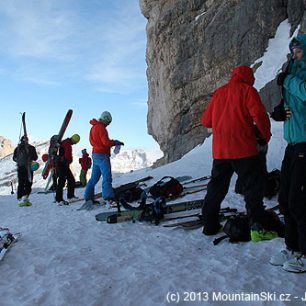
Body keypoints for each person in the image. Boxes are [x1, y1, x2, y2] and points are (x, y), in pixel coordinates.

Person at [200, 65, 276, 241]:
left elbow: (205, 121)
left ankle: (209, 226)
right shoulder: (247, 90)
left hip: (220, 152)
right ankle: (257, 228)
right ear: (249, 78)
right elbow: (259, 115)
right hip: (244, 149)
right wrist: (265, 136)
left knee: (216, 188)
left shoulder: (219, 93)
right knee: (252, 189)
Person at [269, 35, 306, 273]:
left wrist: (288, 79)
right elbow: (296, 106)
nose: (295, 51)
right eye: (292, 48)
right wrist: (279, 112)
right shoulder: (292, 71)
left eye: (299, 48)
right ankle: (292, 248)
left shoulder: (296, 75)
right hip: (292, 144)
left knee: (299, 201)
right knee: (284, 200)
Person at [84, 111, 124, 206]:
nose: (108, 124)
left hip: (95, 155)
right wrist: (115, 142)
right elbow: (106, 142)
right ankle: (109, 199)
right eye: (109, 122)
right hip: (102, 155)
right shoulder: (101, 128)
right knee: (107, 177)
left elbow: (91, 141)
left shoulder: (93, 127)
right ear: (106, 119)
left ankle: (88, 197)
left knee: (94, 178)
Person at [55, 134, 80, 205]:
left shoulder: (65, 142)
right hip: (63, 164)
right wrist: (70, 160)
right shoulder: (68, 144)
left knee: (68, 180)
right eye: (75, 142)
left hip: (61, 164)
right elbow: (68, 156)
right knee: (64, 181)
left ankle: (67, 197)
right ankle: (60, 199)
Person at [13, 135, 38, 206]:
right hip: (28, 168)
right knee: (28, 183)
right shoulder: (31, 148)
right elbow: (35, 158)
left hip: (20, 167)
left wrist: (19, 160)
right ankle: (24, 198)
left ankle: (20, 198)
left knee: (21, 183)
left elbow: (14, 158)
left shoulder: (17, 148)